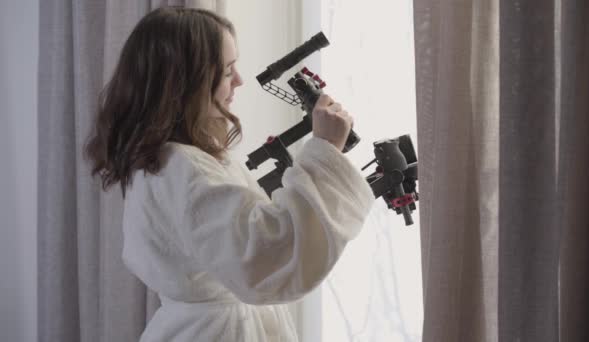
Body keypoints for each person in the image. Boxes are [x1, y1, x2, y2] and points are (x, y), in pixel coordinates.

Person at [85, 6, 374, 342]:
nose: (238, 80)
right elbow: (267, 254)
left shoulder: (162, 161)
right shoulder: (186, 171)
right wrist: (325, 149)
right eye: (227, 71)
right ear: (187, 84)